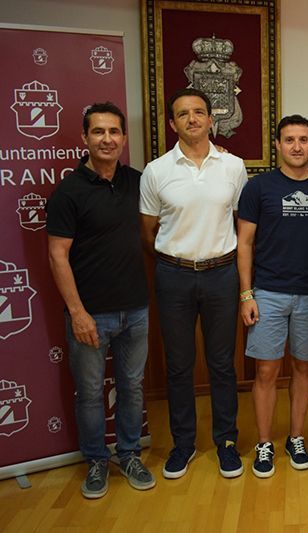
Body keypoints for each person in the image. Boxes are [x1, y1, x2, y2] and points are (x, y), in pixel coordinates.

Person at [47, 102, 153, 499]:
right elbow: (57, 255)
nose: (107, 139)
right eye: (98, 132)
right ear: (85, 137)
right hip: (91, 313)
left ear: (124, 138)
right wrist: (77, 313)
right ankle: (96, 460)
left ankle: (128, 453)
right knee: (90, 392)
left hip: (137, 309)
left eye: (114, 132)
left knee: (132, 386)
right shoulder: (69, 192)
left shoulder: (136, 181)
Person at [140, 88, 247, 479]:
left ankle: (227, 442)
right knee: (179, 365)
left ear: (210, 119)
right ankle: (183, 444)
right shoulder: (157, 171)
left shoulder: (233, 167)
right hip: (174, 276)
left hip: (222, 274)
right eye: (183, 114)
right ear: (173, 123)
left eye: (199, 112)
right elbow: (148, 232)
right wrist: (177, 261)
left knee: (222, 364)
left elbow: (241, 224)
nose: (192, 119)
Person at [237, 115, 308, 478]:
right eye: (290, 139)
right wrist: (246, 293)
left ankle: (295, 437)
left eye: (304, 139)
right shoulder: (258, 188)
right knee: (265, 371)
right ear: (278, 145)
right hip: (267, 292)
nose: (297, 146)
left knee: (303, 367)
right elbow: (244, 243)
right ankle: (264, 442)